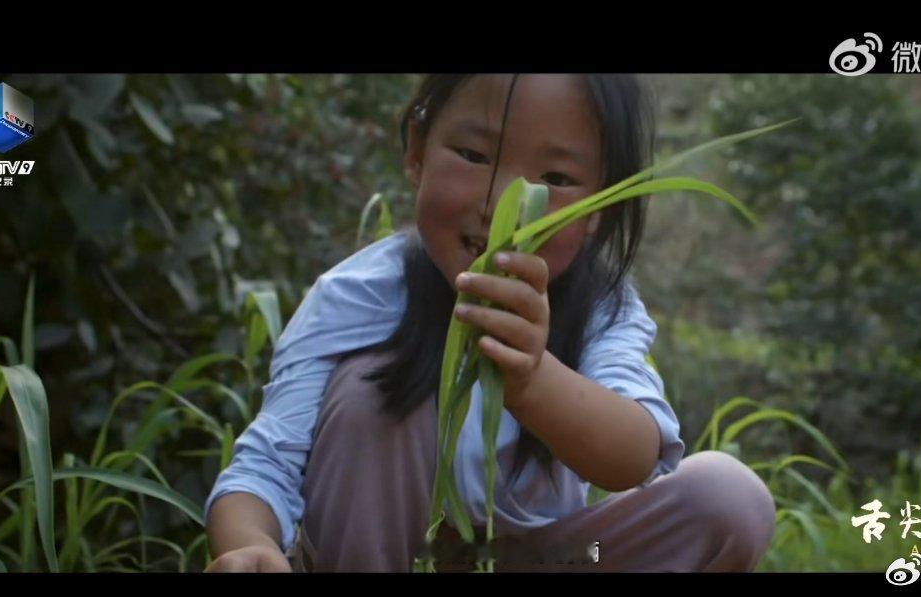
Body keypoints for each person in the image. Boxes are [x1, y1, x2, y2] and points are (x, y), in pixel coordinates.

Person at [204, 74, 776, 572]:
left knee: (728, 499)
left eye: (554, 178)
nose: (504, 202)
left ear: (601, 205)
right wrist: (251, 545)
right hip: (382, 556)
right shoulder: (357, 295)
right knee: (370, 392)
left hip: (544, 560)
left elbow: (635, 457)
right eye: (475, 157)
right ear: (417, 152)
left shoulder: (604, 305)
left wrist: (530, 379)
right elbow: (266, 464)